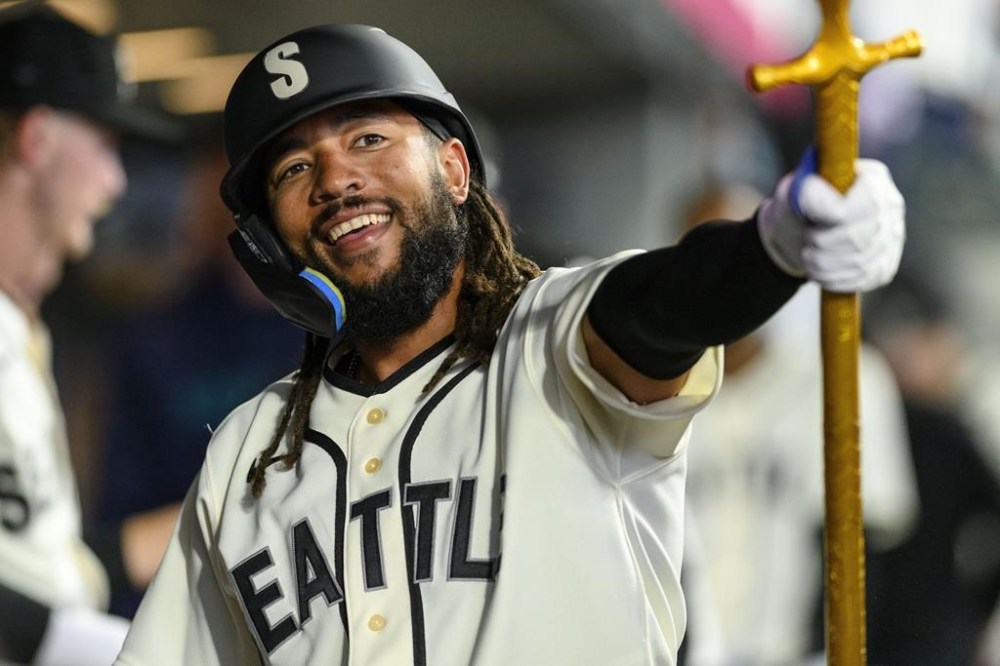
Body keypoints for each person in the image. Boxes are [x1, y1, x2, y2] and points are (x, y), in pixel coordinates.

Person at [116, 23, 907, 665]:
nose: (334, 180)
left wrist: (774, 244)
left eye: (366, 139)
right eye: (294, 168)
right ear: (264, 244)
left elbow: (657, 308)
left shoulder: (547, 340)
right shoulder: (248, 452)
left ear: (455, 169)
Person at [0, 5, 179, 664]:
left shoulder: (22, 326)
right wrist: (69, 644)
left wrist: (218, 514)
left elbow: (43, 572)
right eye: (105, 143)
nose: (116, 181)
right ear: (38, 138)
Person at [674, 185, 918, 665]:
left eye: (742, 253)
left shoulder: (841, 376)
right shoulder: (637, 386)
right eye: (703, 252)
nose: (723, 274)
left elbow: (876, 550)